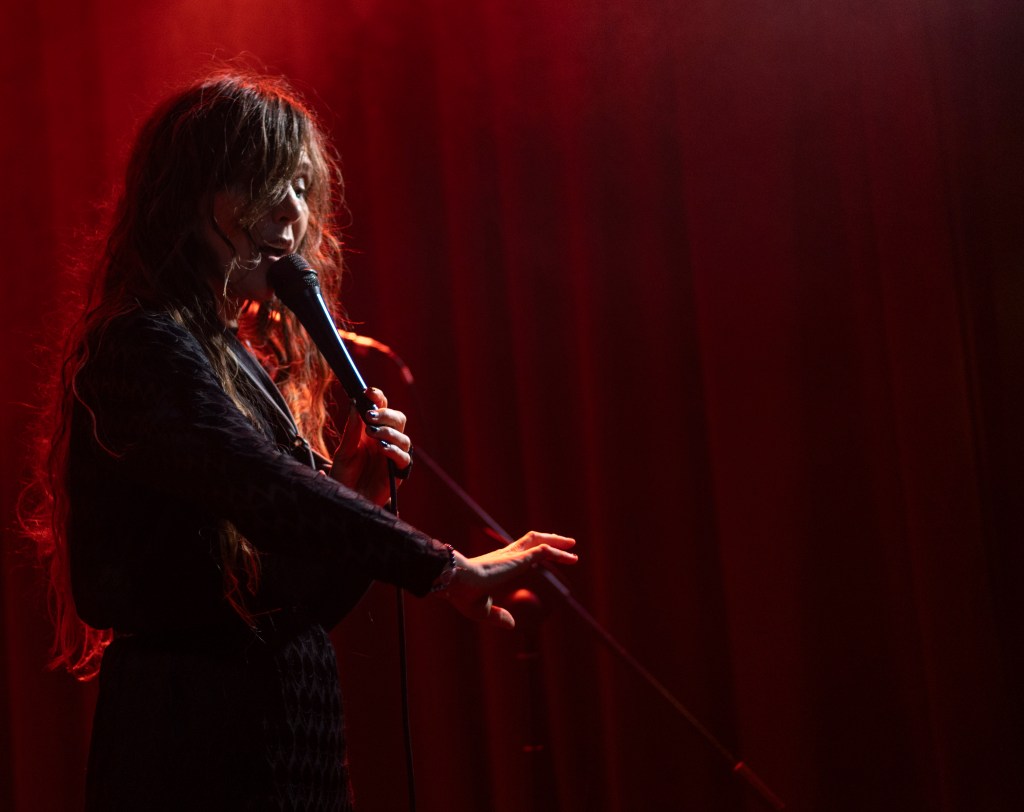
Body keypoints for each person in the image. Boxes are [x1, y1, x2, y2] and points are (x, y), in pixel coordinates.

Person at [22, 70, 577, 810]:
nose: (293, 211)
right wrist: (443, 569)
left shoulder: (237, 361)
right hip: (188, 738)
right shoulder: (139, 344)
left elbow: (293, 603)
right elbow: (256, 484)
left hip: (287, 733)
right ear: (188, 195)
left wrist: (352, 490)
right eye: (265, 183)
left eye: (301, 186)